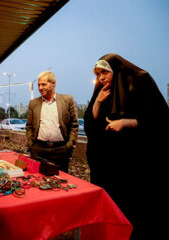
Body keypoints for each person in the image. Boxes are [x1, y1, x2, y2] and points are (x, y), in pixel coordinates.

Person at [84, 53, 169, 239]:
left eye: (104, 72)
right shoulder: (102, 90)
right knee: (110, 211)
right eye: (98, 74)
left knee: (131, 211)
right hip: (106, 166)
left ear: (116, 69)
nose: (101, 78)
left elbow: (160, 120)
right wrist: (98, 102)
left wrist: (125, 123)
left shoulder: (140, 81)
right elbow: (90, 125)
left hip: (134, 166)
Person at [26, 71, 78, 172]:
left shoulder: (67, 100)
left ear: (53, 83)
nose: (40, 88)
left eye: (44, 84)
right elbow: (29, 127)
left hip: (61, 150)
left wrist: (69, 146)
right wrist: (31, 145)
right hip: (38, 149)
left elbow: (74, 125)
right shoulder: (33, 103)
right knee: (37, 179)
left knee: (61, 181)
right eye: (39, 85)